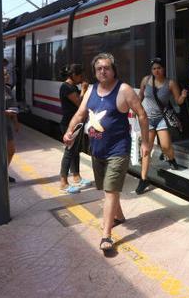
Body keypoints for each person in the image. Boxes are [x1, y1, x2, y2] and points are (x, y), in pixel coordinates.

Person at [63, 53, 149, 255]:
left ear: (114, 69)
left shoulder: (124, 90)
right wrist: (69, 131)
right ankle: (118, 217)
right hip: (97, 150)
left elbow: (142, 115)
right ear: (95, 71)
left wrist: (145, 142)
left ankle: (106, 234)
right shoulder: (91, 90)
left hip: (118, 150)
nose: (103, 71)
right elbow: (80, 114)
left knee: (110, 191)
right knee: (107, 188)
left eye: (107, 67)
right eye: (99, 68)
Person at [136, 58, 188, 194]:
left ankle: (171, 159)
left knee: (166, 146)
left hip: (161, 118)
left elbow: (178, 101)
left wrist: (182, 96)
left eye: (159, 68)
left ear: (164, 69)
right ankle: (143, 179)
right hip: (147, 120)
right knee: (146, 149)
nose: (156, 71)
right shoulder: (146, 80)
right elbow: (140, 96)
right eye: (154, 69)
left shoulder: (170, 83)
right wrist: (135, 110)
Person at [58, 64, 89, 193]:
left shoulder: (72, 86)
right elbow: (80, 103)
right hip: (69, 124)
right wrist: (84, 90)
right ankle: (63, 183)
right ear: (73, 75)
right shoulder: (66, 87)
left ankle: (76, 176)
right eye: (80, 75)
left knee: (75, 150)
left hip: (76, 123)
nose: (82, 78)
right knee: (69, 152)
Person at [2, 58, 19, 133]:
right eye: (5, 74)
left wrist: (16, 123)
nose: (8, 76)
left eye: (8, 73)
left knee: (11, 144)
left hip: (6, 124)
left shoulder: (8, 90)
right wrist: (6, 112)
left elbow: (13, 108)